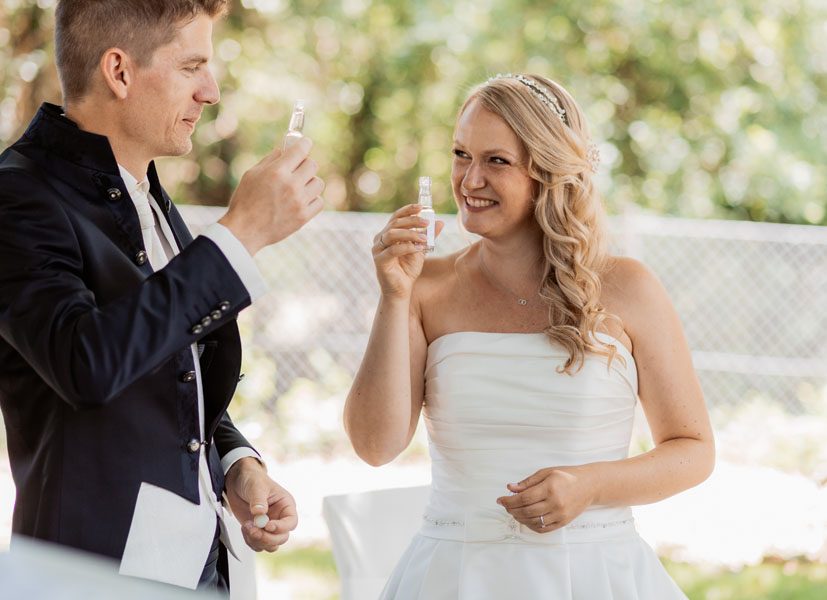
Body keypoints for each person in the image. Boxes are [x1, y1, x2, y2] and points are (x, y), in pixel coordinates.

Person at [343, 73, 715, 598]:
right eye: (460, 154)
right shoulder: (425, 286)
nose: (469, 180)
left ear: (548, 170)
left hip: (594, 574)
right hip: (453, 576)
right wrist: (393, 295)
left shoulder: (628, 288)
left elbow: (694, 449)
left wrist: (592, 485)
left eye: (496, 160)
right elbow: (375, 446)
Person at [0, 0, 325, 593]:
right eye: (192, 66)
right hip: (92, 578)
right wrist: (240, 233)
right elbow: (86, 363)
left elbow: (172, 366)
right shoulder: (18, 196)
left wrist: (236, 463)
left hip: (199, 564)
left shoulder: (144, 192)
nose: (212, 91)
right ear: (119, 71)